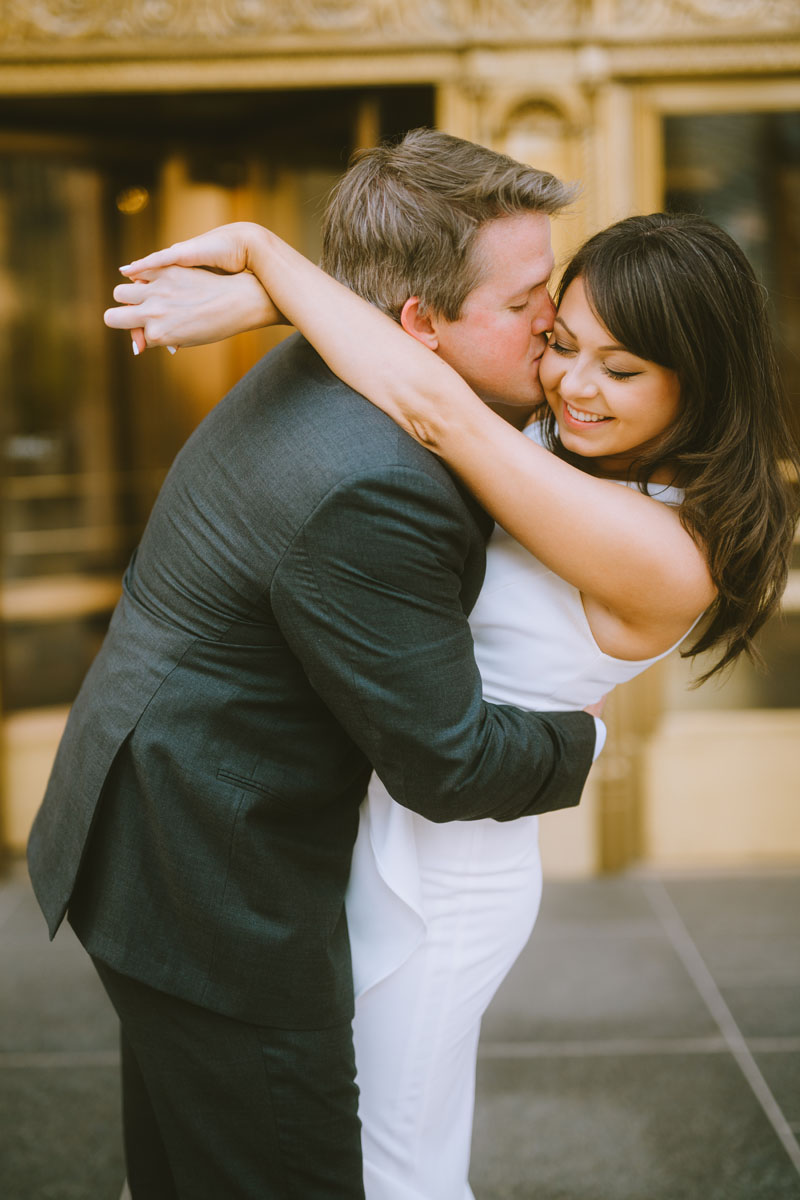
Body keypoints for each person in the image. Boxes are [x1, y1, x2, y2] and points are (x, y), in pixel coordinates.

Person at [107, 202, 799, 1199]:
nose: (570, 385)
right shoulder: (575, 455)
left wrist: (266, 258)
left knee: (396, 1174)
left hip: (441, 881)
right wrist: (271, 300)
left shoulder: (662, 551)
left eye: (623, 369)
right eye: (563, 342)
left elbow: (430, 407)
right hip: (376, 833)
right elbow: (415, 368)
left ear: (700, 383)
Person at [26, 130, 602, 1200]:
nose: (556, 324)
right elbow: (451, 764)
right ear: (418, 324)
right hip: (206, 875)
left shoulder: (348, 352)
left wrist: (271, 291)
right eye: (529, 304)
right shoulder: (369, 486)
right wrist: (584, 737)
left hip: (156, 823)